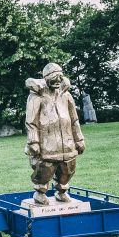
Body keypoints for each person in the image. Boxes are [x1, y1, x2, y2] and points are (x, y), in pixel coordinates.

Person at [25, 63, 85, 205]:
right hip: (47, 143)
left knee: (68, 169)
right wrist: (33, 141)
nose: (58, 81)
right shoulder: (36, 96)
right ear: (46, 78)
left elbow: (74, 119)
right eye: (54, 77)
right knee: (45, 169)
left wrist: (79, 139)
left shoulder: (67, 95)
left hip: (67, 142)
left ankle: (62, 191)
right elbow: (30, 121)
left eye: (60, 77)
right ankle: (40, 192)